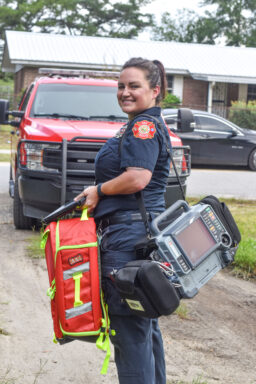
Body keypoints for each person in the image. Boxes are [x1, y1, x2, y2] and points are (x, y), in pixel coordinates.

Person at [75, 57, 172, 384]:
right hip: (139, 235)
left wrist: (98, 190)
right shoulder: (145, 122)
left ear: (154, 90)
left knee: (129, 330)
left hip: (129, 241)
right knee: (145, 327)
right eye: (121, 86)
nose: (125, 92)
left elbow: (138, 178)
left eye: (134, 86)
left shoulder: (142, 127)